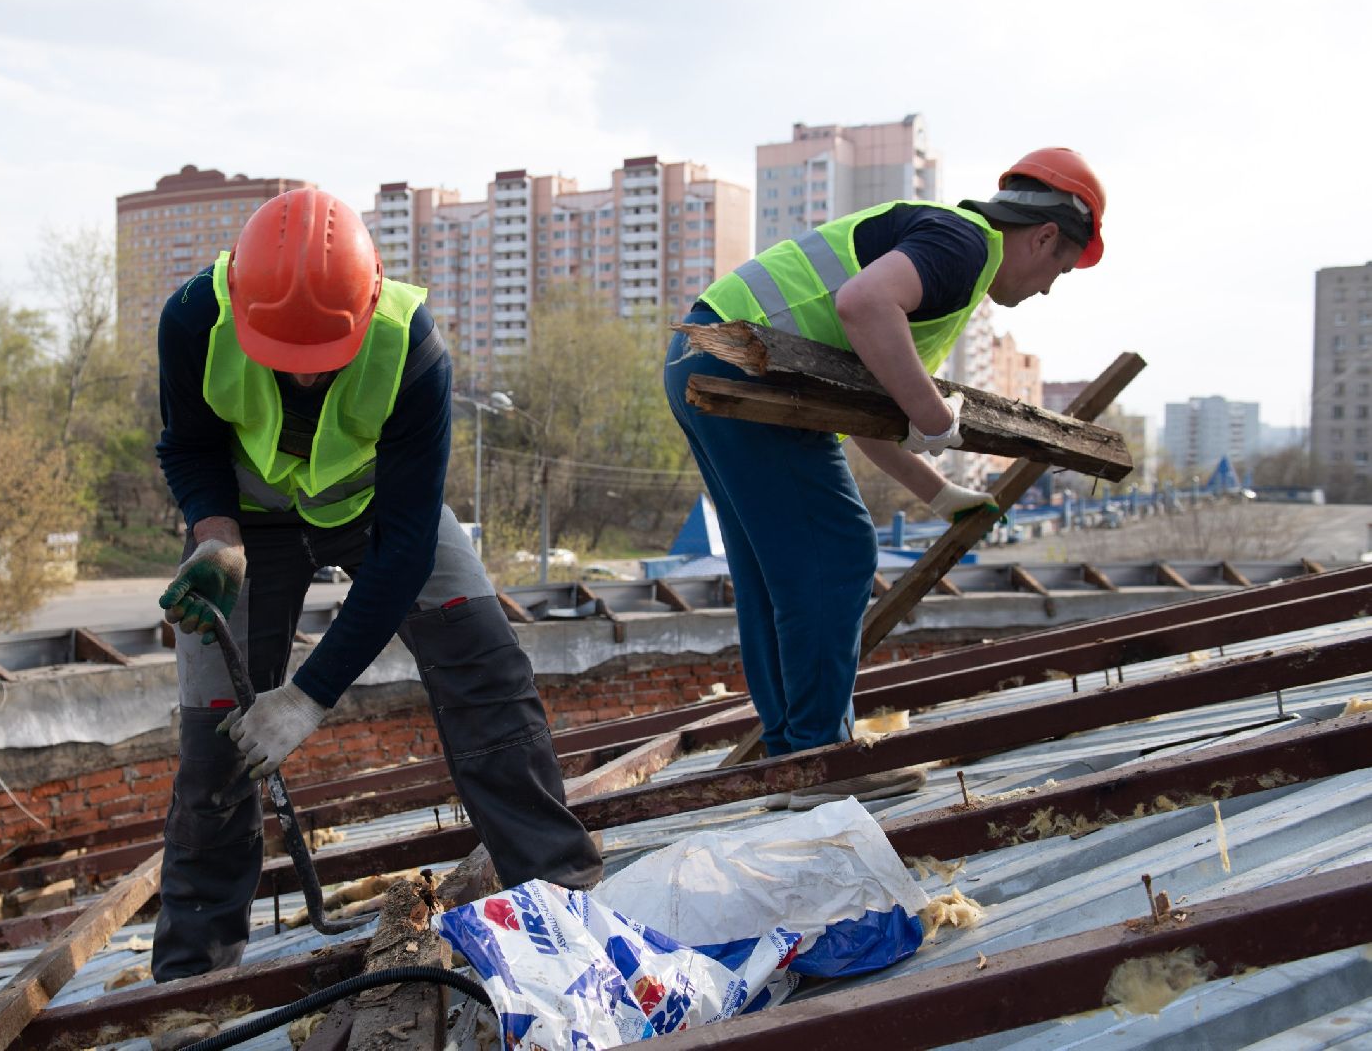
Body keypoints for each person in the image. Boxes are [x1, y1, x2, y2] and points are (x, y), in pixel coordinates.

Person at [151, 189, 603, 981]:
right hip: (248, 520)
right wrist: (216, 537)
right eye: (277, 358)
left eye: (315, 361)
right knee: (212, 738)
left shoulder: (411, 347)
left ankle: (559, 898)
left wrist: (308, 694)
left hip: (378, 512)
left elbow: (400, 557)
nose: (296, 379)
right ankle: (192, 978)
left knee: (487, 673)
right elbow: (187, 446)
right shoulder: (194, 318)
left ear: (362, 311)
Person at [664, 148, 1106, 811]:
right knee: (836, 554)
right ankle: (818, 760)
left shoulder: (944, 265)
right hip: (743, 366)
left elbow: (868, 406)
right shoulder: (962, 244)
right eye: (1058, 267)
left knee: (775, 573)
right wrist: (934, 416)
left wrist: (938, 490)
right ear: (1042, 236)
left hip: (707, 358)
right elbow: (864, 303)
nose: (1047, 286)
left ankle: (795, 759)